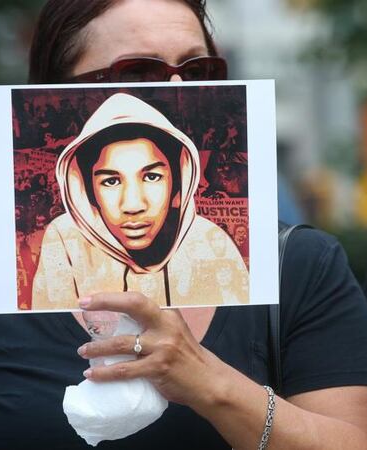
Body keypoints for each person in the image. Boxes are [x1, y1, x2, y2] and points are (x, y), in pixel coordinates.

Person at [0, 1, 367, 449]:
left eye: (199, 70)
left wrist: (208, 382)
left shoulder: (298, 267)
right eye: (139, 72)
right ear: (52, 92)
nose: (180, 90)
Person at [32, 92, 249, 309]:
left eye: (152, 177)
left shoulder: (210, 241)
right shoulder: (65, 238)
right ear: (88, 191)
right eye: (111, 181)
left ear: (177, 182)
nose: (133, 205)